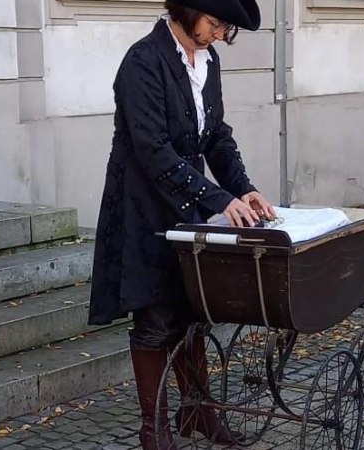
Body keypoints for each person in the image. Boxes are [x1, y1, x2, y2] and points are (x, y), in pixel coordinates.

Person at [87, 0, 276, 447]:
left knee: (193, 312)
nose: (218, 34)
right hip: (143, 208)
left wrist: (242, 188)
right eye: (214, 23)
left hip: (187, 205)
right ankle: (154, 430)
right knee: (155, 317)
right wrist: (217, 198)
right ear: (188, 10)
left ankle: (198, 413)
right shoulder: (143, 61)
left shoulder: (206, 61)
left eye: (224, 28)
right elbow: (152, 149)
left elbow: (217, 136)